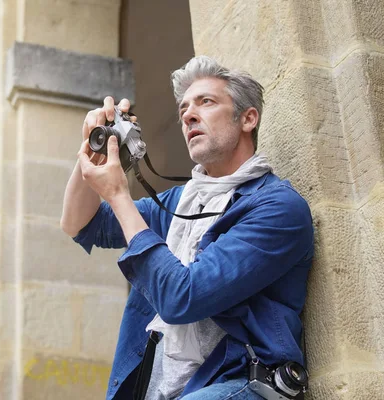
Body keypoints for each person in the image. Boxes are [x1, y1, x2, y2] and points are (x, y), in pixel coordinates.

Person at [60, 56, 314, 400]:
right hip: (160, 387)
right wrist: (92, 150)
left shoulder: (277, 207)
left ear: (248, 118)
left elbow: (183, 298)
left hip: (240, 382)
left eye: (206, 102)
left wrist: (119, 195)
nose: (188, 115)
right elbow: (79, 224)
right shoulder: (180, 204)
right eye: (183, 109)